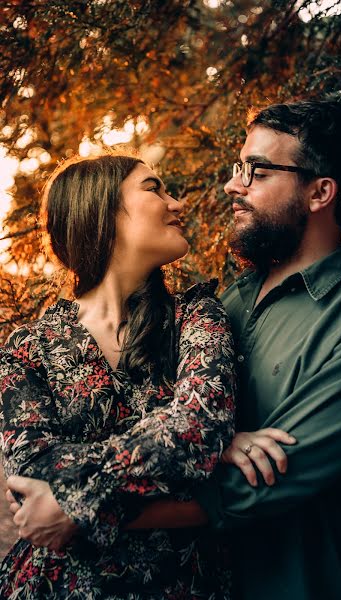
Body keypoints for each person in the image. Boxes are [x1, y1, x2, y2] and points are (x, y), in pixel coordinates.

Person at [7, 99, 341, 599]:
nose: (232, 185)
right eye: (239, 168)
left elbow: (262, 481)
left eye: (256, 171)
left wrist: (75, 507)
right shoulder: (230, 300)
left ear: (320, 192)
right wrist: (219, 444)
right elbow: (176, 421)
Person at [0, 152, 296, 599]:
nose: (177, 204)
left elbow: (197, 430)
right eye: (154, 188)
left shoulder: (196, 315)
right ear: (97, 209)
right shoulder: (25, 351)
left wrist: (74, 500)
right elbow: (32, 485)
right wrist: (193, 446)